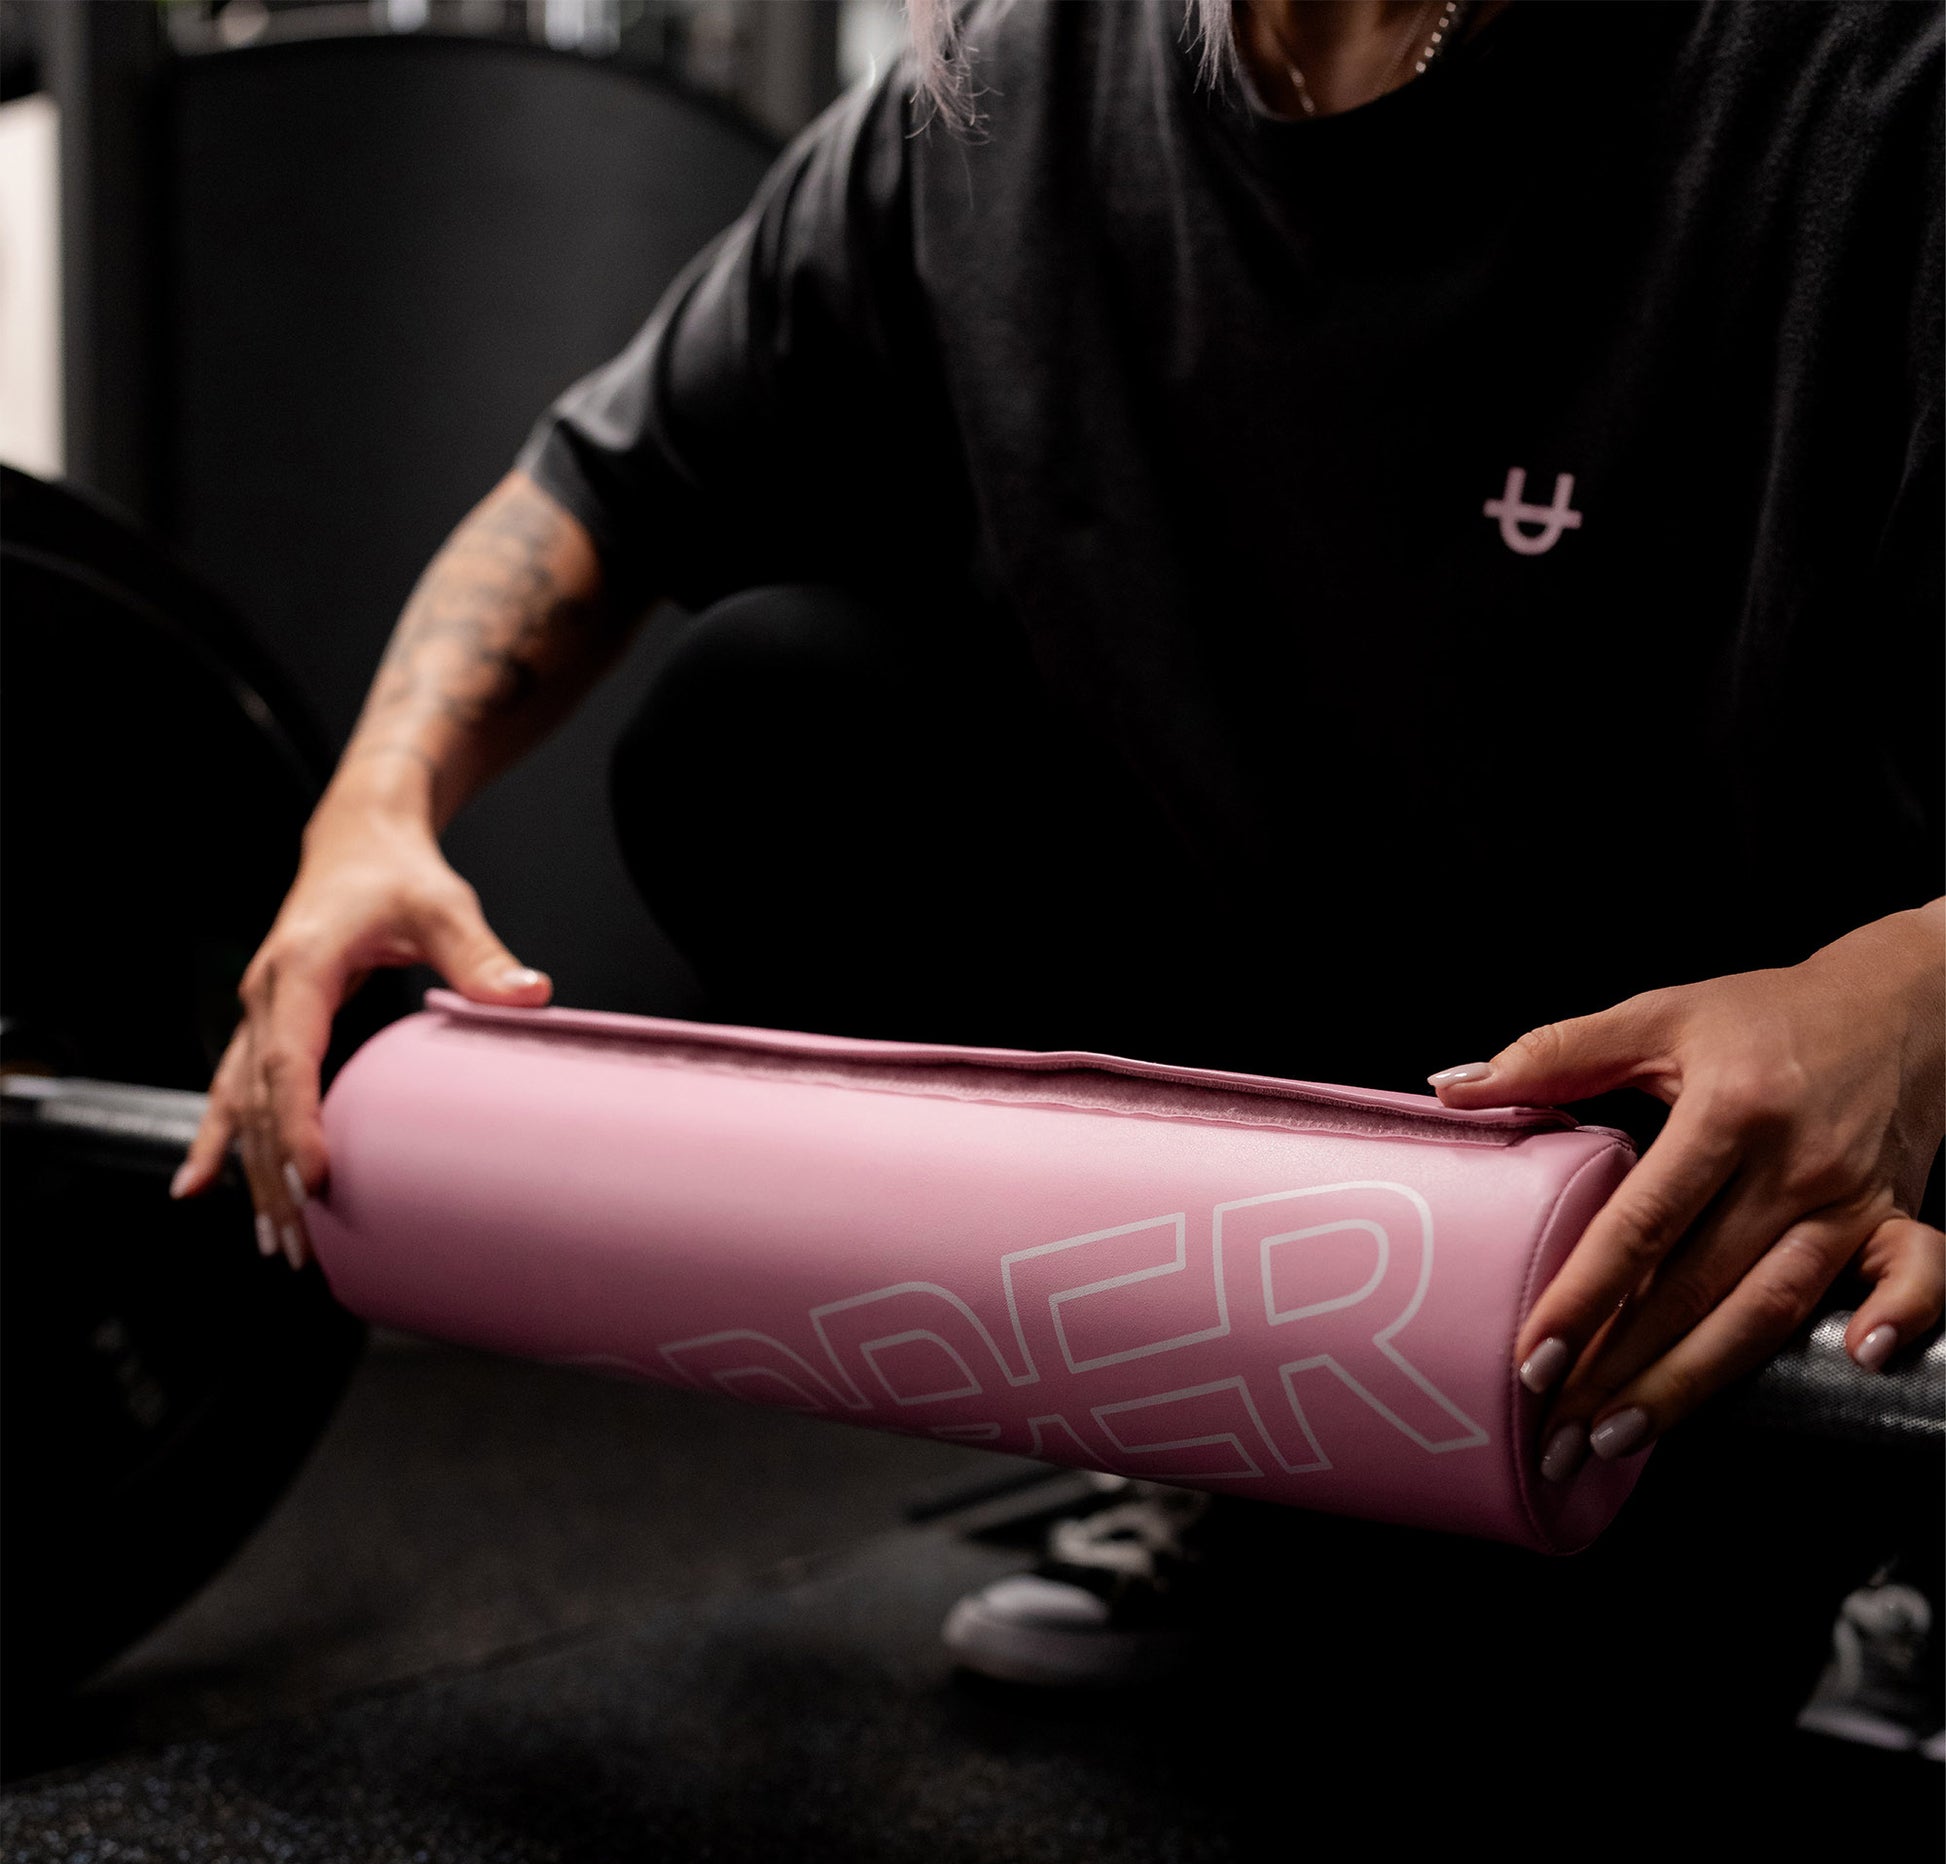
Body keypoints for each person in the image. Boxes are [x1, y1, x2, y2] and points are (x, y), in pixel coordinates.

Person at [175, 0, 1943, 1685]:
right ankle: (1237, 1453)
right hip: (1331, 1085)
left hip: (1722, 1132)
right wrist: (369, 816)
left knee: (1512, 1824)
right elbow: (600, 488)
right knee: (769, 726)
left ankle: (1882, 1539)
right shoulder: (1007, 89)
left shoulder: (1865, 82)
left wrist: (1891, 1004)